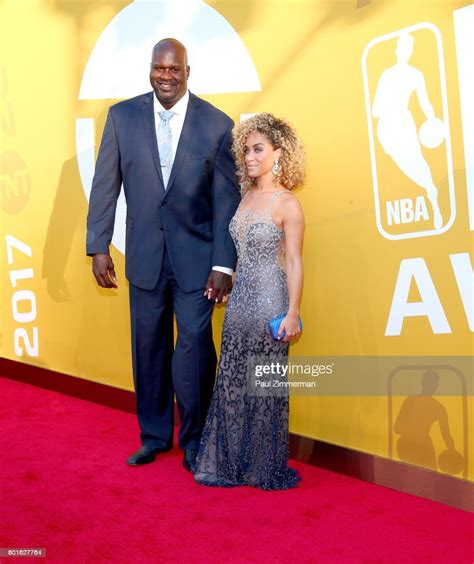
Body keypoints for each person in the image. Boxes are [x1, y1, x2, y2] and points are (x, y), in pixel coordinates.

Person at [86, 38, 240, 472]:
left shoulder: (217, 124)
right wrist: (98, 245)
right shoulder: (122, 117)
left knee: (192, 352)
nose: (165, 77)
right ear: (150, 69)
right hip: (146, 258)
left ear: (188, 72)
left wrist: (223, 263)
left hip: (198, 263)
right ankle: (154, 436)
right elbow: (104, 186)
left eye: (174, 69)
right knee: (148, 350)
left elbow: (226, 201)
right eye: (159, 68)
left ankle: (195, 441)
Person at [194, 113, 305, 490]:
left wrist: (292, 311)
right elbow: (240, 255)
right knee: (233, 382)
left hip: (270, 303)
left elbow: (292, 260)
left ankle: (261, 467)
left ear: (279, 152)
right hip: (240, 303)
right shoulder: (245, 198)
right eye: (247, 150)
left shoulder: (287, 203)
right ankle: (234, 462)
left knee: (263, 386)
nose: (251, 156)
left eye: (258, 149)